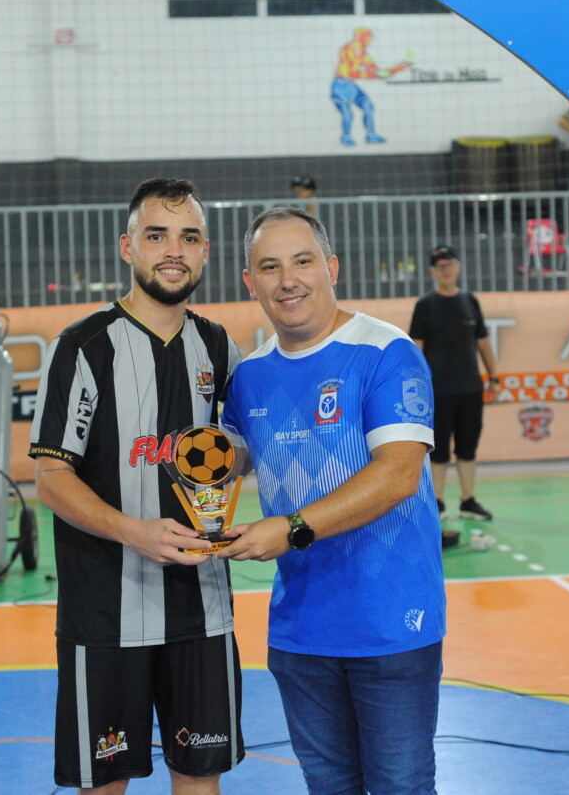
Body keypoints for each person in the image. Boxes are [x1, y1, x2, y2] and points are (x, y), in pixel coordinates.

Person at [218, 206, 446, 794]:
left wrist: (290, 528)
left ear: (332, 268)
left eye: (302, 261)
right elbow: (220, 467)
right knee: (328, 787)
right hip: (300, 633)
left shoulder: (386, 352)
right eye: (269, 267)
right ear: (250, 282)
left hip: (391, 626)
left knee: (401, 787)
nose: (287, 280)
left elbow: (397, 475)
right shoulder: (249, 377)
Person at [29, 178, 245, 794]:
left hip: (202, 609)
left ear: (205, 251)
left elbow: (244, 450)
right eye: (157, 236)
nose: (174, 250)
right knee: (104, 785)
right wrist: (136, 532)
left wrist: (235, 460)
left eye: (189, 237)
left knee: (200, 778)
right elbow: (52, 478)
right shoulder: (82, 348)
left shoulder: (219, 347)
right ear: (128, 247)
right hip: (105, 611)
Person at [409, 245, 500, 550]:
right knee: (437, 450)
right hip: (437, 392)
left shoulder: (469, 301)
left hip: (470, 389)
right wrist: (417, 388)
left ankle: (468, 500)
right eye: (439, 266)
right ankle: (436, 502)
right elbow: (416, 349)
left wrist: (494, 376)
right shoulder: (425, 306)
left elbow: (483, 342)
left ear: (458, 267)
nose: (445, 270)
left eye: (449, 264)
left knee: (468, 447)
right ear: (432, 272)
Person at [331, 27, 388, 146]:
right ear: (361, 37)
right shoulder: (347, 49)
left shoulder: (362, 52)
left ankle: (371, 135)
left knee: (368, 105)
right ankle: (346, 137)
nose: (370, 40)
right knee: (347, 114)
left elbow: (371, 65)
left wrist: (378, 72)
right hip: (341, 86)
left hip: (351, 85)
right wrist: (367, 74)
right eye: (368, 37)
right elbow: (350, 72)